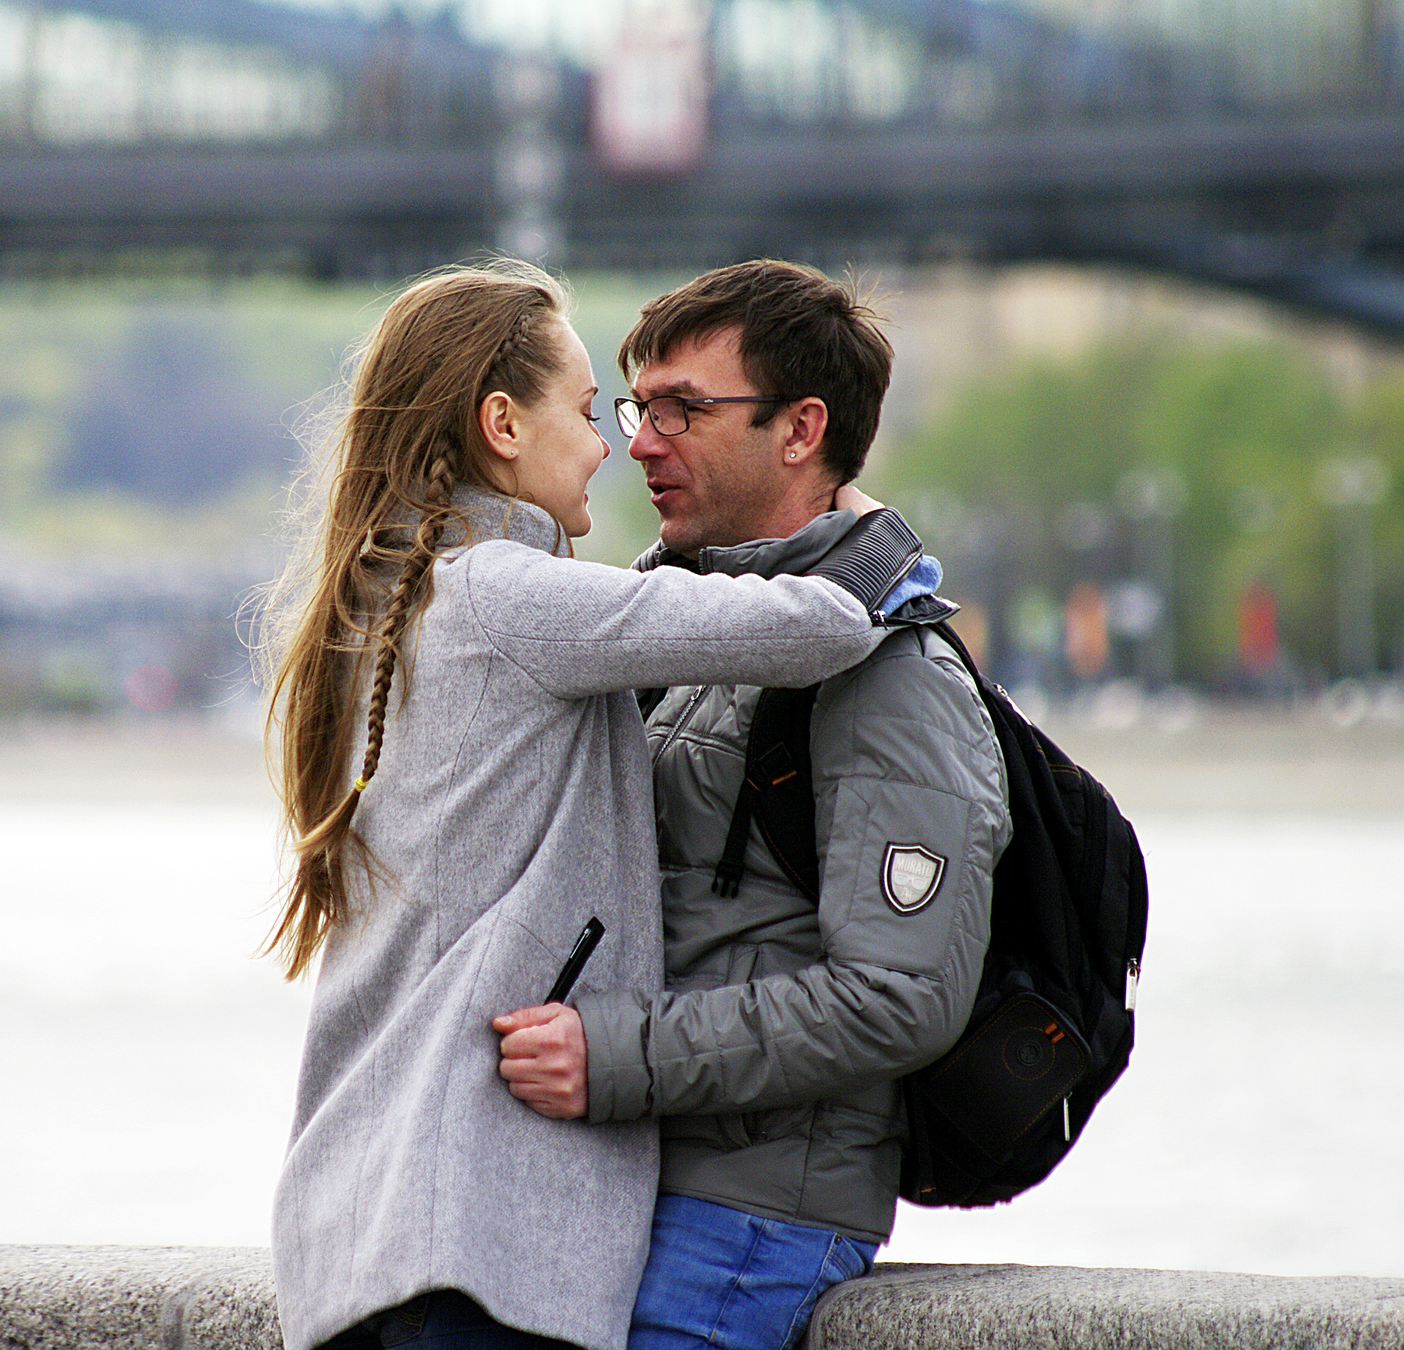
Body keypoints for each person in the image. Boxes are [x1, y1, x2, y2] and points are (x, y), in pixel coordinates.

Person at [262, 260, 927, 1350]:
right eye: (583, 412)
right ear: (501, 426)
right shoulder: (507, 595)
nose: (607, 445)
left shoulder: (390, 601)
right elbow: (821, 626)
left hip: (355, 1235)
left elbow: (634, 614)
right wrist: (874, 529)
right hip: (471, 1244)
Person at [493, 259, 1014, 1350]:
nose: (641, 443)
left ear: (800, 429)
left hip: (754, 1220)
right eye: (637, 408)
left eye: (683, 409)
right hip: (630, 1184)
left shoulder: (892, 679)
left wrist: (612, 1056)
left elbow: (899, 997)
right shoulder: (678, 630)